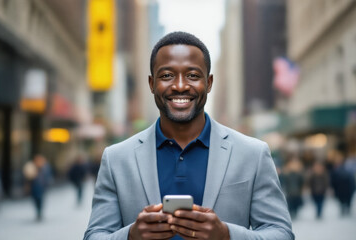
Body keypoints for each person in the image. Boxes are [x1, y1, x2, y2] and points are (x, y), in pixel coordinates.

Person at [84, 31, 294, 240]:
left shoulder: (253, 154)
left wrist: (227, 235)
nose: (180, 86)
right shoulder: (116, 158)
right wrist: (130, 236)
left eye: (193, 75)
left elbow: (281, 233)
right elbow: (94, 235)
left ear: (209, 83)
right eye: (167, 76)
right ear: (151, 84)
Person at [23, 154, 52, 221]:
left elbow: (47, 177)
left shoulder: (45, 168)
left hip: (41, 187)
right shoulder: (32, 167)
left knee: (40, 200)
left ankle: (39, 212)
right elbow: (27, 177)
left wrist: (47, 184)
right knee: (35, 200)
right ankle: (38, 211)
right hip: (34, 186)